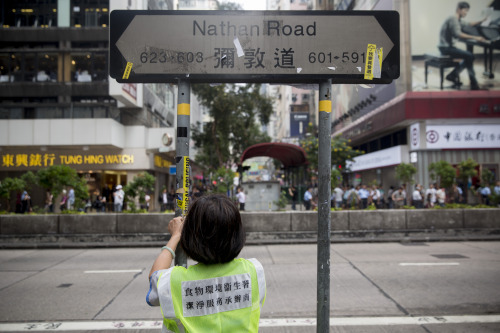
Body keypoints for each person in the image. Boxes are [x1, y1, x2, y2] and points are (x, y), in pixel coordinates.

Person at [146, 194, 266, 333]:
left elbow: (154, 277)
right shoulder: (254, 272)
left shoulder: (175, 281)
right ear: (238, 235)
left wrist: (175, 236)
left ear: (190, 237)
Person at [438, 1, 489, 90]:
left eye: (467, 11)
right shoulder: (453, 19)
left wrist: (481, 21)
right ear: (459, 9)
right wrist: (476, 37)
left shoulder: (457, 20)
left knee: (470, 56)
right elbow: (458, 34)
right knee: (469, 56)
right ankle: (474, 84)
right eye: (465, 10)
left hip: (447, 47)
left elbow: (468, 24)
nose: (466, 13)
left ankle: (452, 75)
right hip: (445, 48)